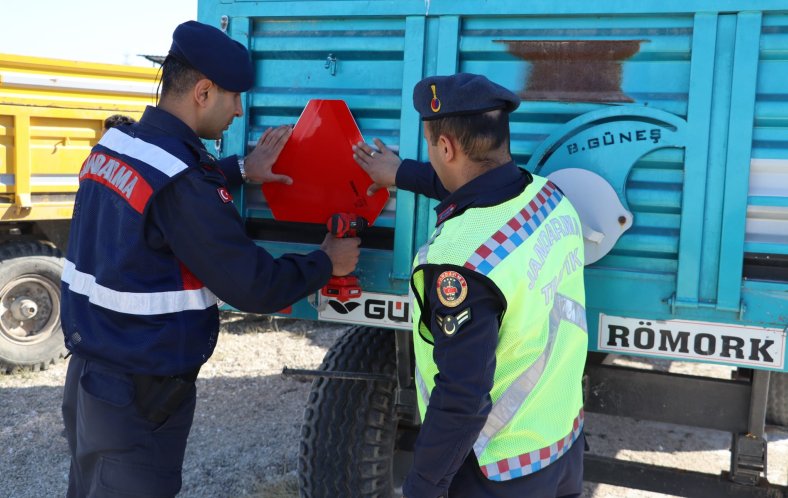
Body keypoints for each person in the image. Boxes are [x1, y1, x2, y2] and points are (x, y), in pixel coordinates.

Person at [60, 20, 360, 497]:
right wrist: (326, 260)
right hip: (140, 396)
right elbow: (253, 285)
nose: (239, 112)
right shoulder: (181, 182)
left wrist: (240, 170)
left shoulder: (117, 145)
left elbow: (158, 193)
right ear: (202, 92)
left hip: (92, 381)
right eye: (234, 97)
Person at [353, 73, 588, 498]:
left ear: (445, 147)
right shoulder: (548, 199)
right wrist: (403, 173)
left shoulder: (458, 263)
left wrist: (422, 486)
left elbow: (463, 395)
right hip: (560, 443)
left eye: (432, 145)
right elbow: (474, 182)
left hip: (497, 467)